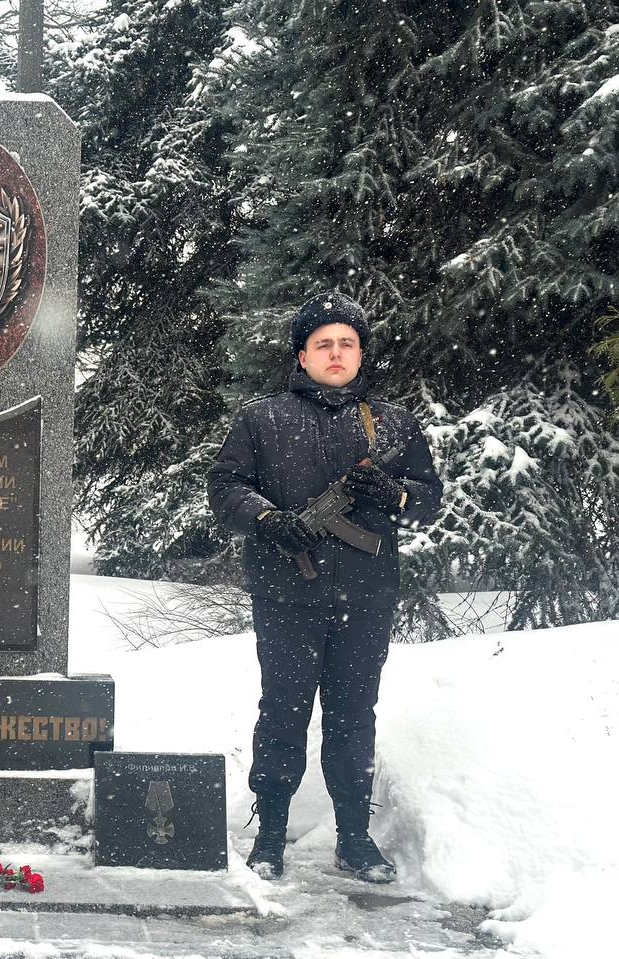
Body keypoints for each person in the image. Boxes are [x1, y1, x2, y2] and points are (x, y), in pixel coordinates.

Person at [207, 291, 442, 883]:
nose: (335, 354)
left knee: (353, 716)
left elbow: (427, 499)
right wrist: (268, 521)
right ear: (302, 356)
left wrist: (396, 495)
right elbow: (226, 488)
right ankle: (271, 835)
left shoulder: (394, 424)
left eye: (346, 343)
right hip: (286, 596)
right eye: (323, 344)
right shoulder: (262, 419)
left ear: (361, 353)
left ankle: (355, 839)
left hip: (366, 597)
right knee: (282, 714)